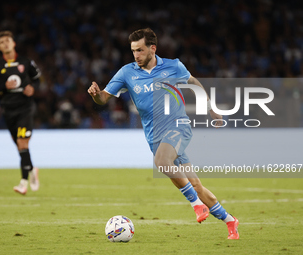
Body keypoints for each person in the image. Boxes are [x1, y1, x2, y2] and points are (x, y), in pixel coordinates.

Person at [88, 28, 239, 239]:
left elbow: (194, 83)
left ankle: (196, 205)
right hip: (154, 136)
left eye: (140, 50)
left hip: (179, 127)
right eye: (133, 51)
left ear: (152, 48)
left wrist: (210, 108)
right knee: (195, 184)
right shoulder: (126, 73)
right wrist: (96, 95)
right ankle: (230, 220)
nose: (136, 55)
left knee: (161, 161)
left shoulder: (173, 66)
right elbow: (104, 98)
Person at [0, 31, 40, 195]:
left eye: (7, 40)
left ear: (14, 43)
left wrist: (33, 87)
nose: (5, 44)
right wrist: (4, 87)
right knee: (20, 147)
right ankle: (31, 170)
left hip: (25, 109)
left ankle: (23, 183)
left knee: (23, 144)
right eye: (2, 42)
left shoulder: (26, 62)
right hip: (8, 111)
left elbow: (37, 78)